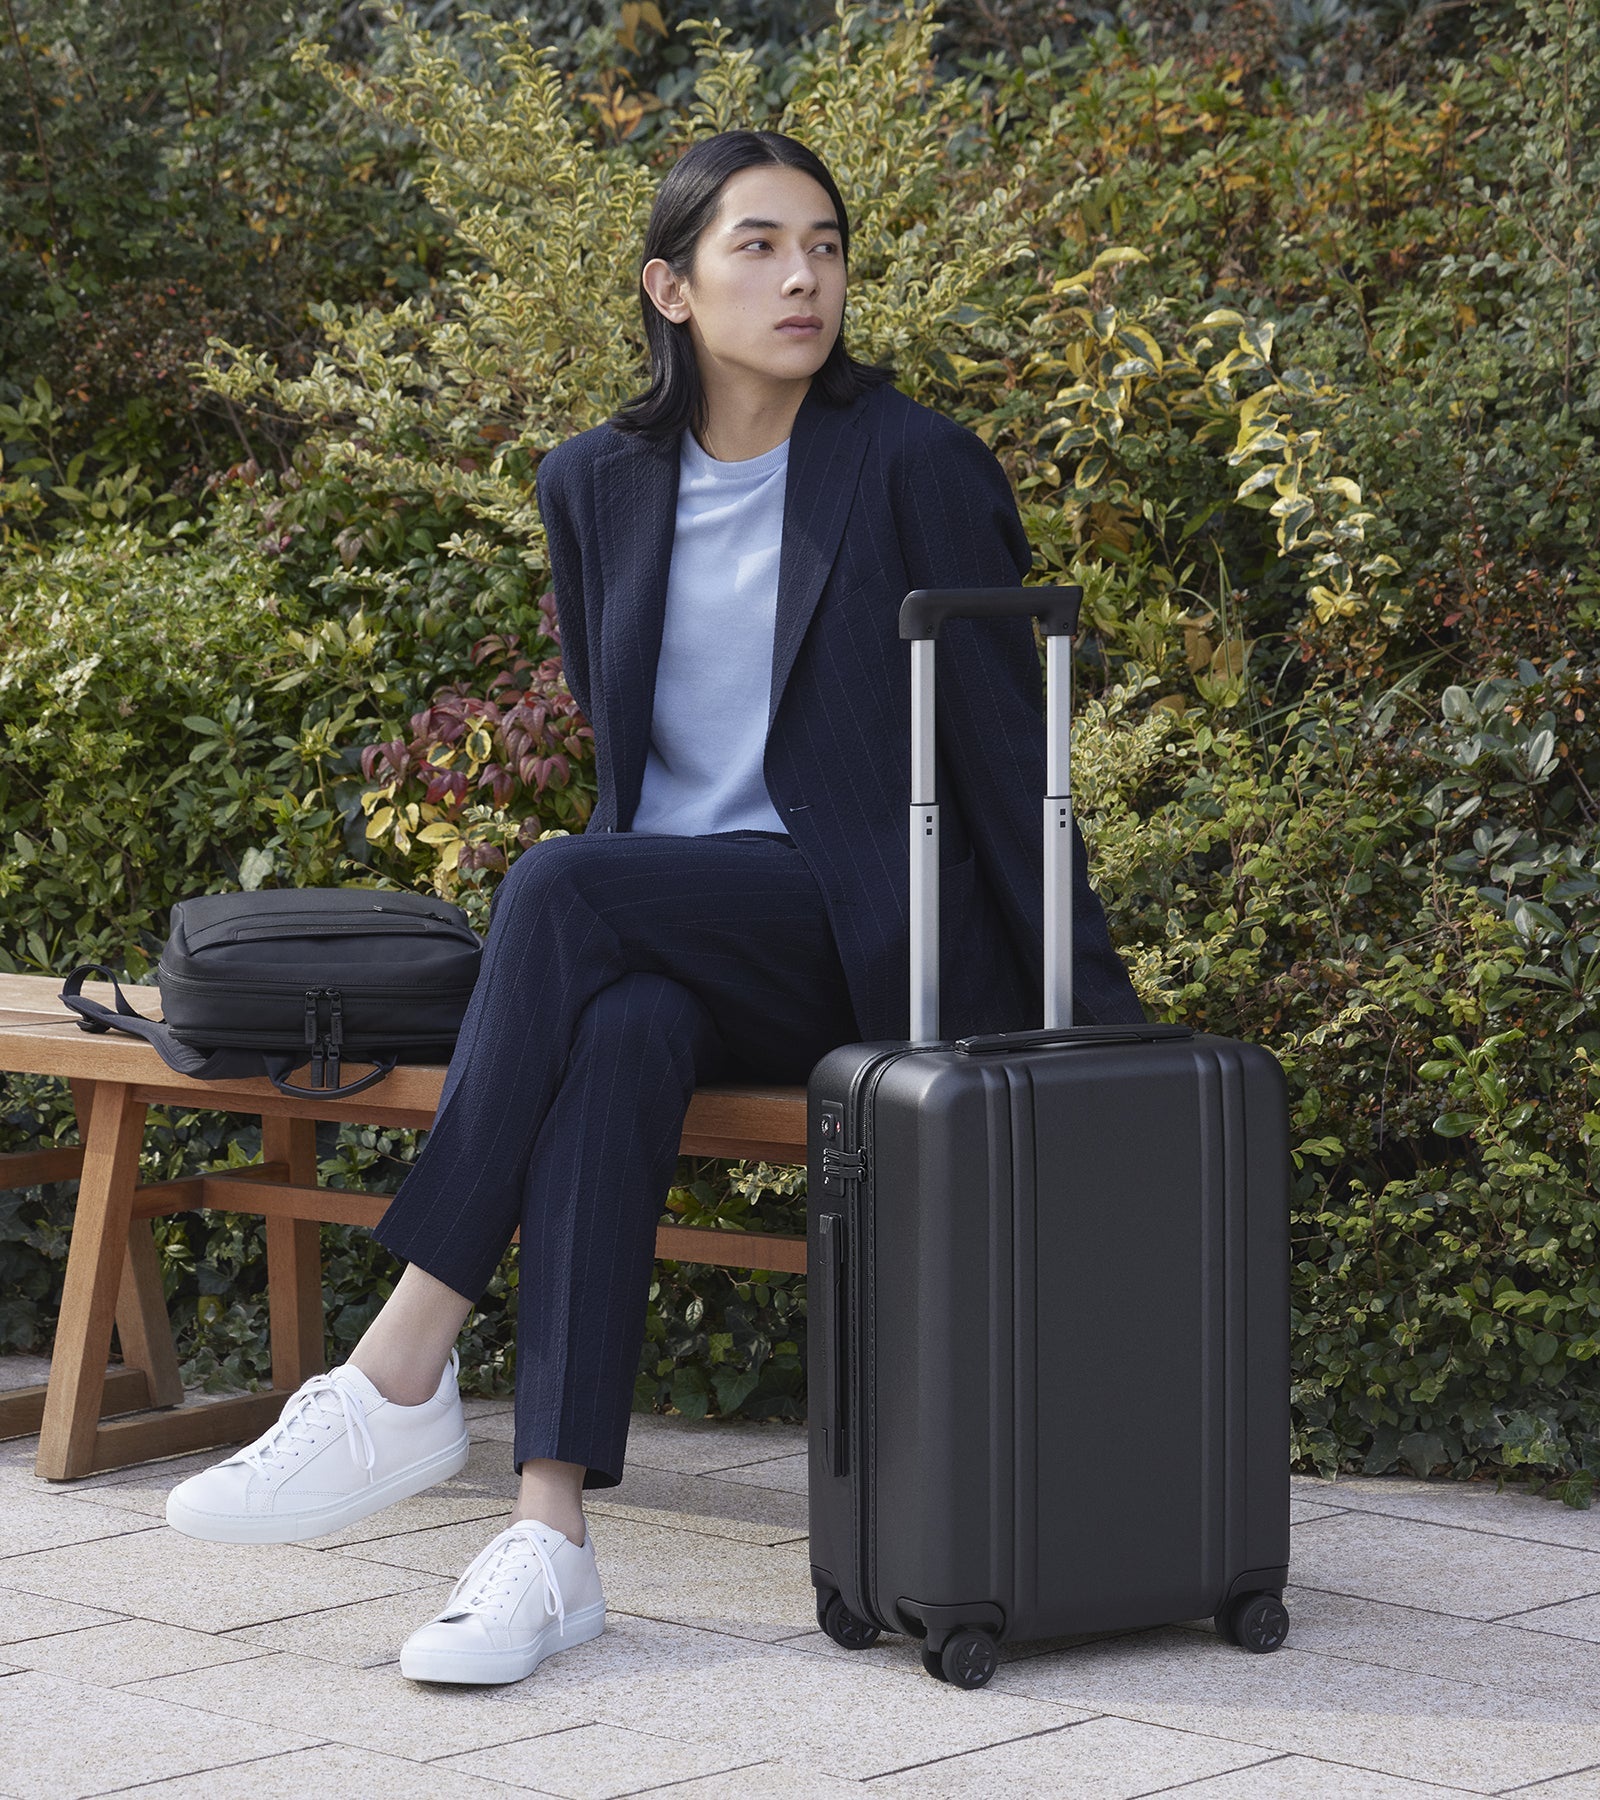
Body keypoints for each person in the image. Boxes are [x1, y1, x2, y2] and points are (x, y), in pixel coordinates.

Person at [164, 129, 1144, 1685]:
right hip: (674, 929)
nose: (803, 277)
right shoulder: (594, 483)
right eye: (759, 246)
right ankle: (548, 1540)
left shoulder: (915, 463)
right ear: (669, 288)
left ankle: (400, 1364)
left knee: (560, 883)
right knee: (617, 1028)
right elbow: (640, 766)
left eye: (824, 245)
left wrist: (1099, 1023)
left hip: (862, 939)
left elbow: (1014, 764)